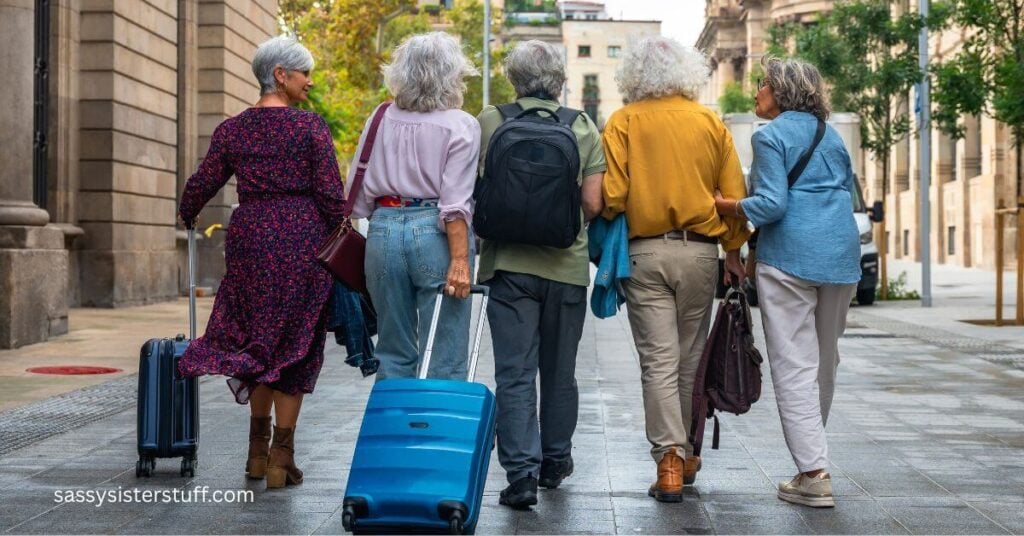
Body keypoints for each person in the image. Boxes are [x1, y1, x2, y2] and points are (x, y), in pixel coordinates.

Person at [177, 36, 346, 489]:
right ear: (280, 75)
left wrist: (187, 211)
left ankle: (256, 454)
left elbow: (202, 183)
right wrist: (344, 236)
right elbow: (331, 195)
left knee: (258, 339)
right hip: (301, 240)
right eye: (304, 73)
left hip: (250, 238)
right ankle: (280, 459)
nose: (310, 82)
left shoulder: (232, 130)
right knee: (296, 344)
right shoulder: (310, 128)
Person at [601, 36, 750, 503]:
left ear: (634, 76)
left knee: (658, 362)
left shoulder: (623, 121)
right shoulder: (709, 121)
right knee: (689, 358)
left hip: (645, 253)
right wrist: (732, 251)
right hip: (700, 252)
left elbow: (612, 197)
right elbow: (734, 195)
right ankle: (683, 455)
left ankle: (668, 458)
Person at [714, 57, 860, 508]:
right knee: (824, 361)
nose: (756, 91)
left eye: (762, 85)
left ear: (780, 92)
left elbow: (773, 204)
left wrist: (727, 205)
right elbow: (843, 193)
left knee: (795, 364)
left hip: (792, 258)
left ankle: (814, 472)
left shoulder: (770, 136)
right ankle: (810, 459)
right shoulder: (831, 136)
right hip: (840, 253)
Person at [476, 40, 606, 509]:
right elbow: (593, 203)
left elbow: (476, 188)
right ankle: (555, 460)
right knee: (560, 372)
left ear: (513, 78)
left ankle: (521, 476)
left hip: (508, 266)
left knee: (513, 373)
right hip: (566, 267)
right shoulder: (583, 126)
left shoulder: (492, 120)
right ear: (560, 80)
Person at [347, 32, 480, 380]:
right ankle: (436, 433)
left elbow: (357, 196)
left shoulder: (379, 117)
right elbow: (455, 204)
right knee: (446, 353)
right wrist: (461, 260)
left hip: (384, 229)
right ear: (452, 74)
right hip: (434, 234)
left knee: (391, 351)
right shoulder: (462, 125)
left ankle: (394, 433)